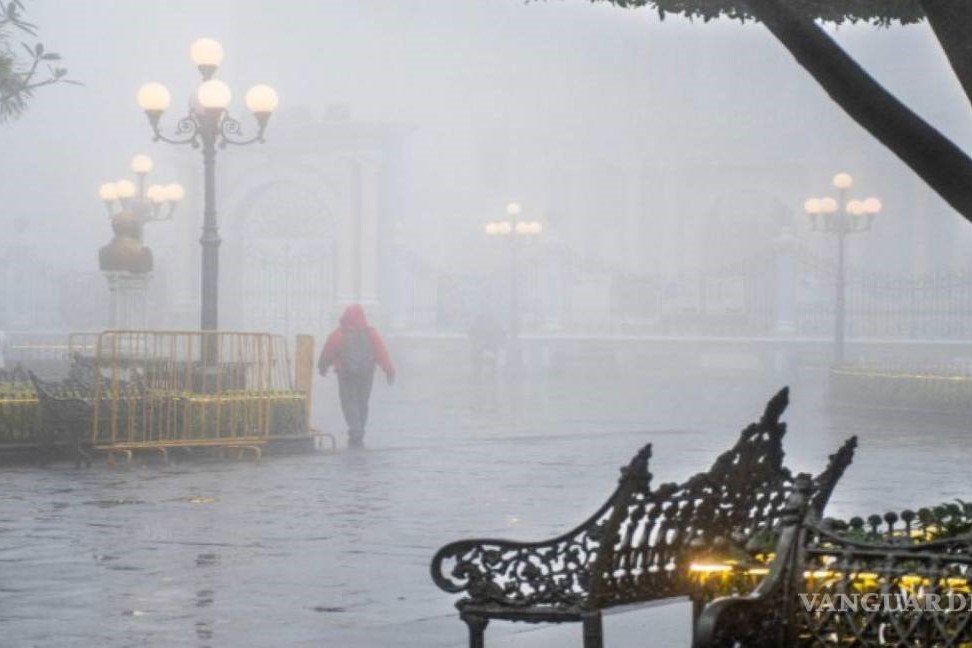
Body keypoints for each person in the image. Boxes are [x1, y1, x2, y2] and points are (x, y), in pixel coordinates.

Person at [318, 304, 395, 448]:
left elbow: (328, 352)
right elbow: (382, 353)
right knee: (362, 402)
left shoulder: (339, 334)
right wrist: (389, 370)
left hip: (345, 373)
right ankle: (360, 429)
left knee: (349, 402)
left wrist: (322, 367)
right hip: (366, 373)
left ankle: (355, 429)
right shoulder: (371, 333)